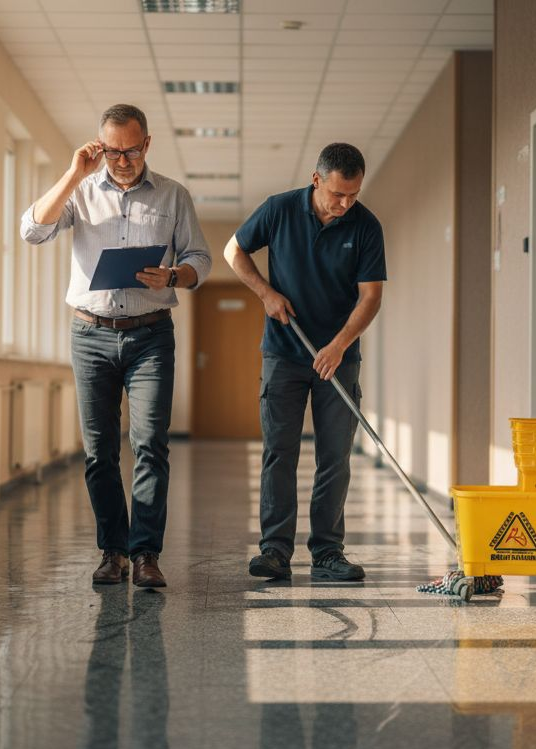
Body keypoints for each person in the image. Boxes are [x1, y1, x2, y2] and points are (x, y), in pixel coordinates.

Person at [22, 104, 210, 589]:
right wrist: (72, 173)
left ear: (146, 144)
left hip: (151, 334)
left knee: (149, 445)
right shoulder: (81, 192)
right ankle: (114, 551)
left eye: (129, 150)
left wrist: (173, 274)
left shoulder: (174, 195)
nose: (121, 160)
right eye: (111, 150)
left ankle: (146, 553)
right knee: (100, 450)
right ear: (99, 145)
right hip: (90, 334)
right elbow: (33, 230)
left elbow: (200, 259)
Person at [223, 143, 386, 582]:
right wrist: (265, 293)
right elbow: (232, 252)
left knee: (335, 456)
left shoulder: (366, 226)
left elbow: (371, 296)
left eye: (353, 194)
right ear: (317, 180)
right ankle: (275, 550)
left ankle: (327, 552)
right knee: (281, 451)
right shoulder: (278, 211)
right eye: (337, 194)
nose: (345, 204)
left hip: (339, 358)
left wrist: (338, 345)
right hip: (284, 352)